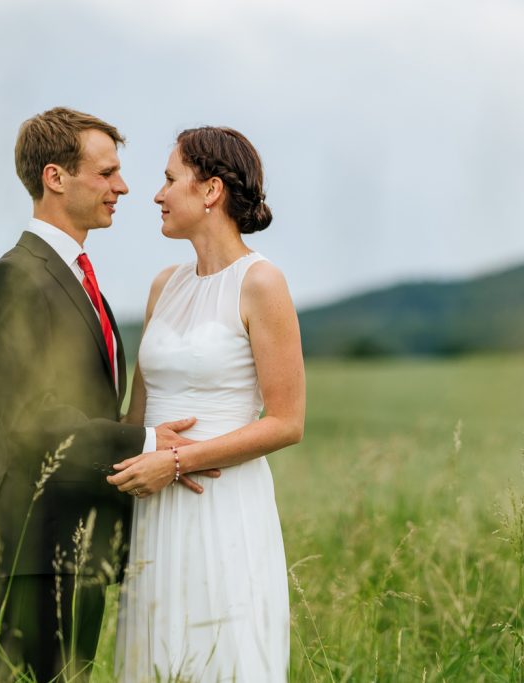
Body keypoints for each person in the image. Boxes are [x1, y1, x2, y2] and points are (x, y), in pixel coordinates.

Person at [0, 107, 214, 683]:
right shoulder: (16, 277)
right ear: (56, 177)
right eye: (106, 173)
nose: (123, 187)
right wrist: (151, 442)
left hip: (78, 547)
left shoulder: (78, 276)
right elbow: (31, 424)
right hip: (34, 551)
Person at [109, 126, 305, 682]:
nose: (156, 194)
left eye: (170, 179)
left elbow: (287, 422)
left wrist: (176, 462)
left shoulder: (261, 283)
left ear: (211, 190)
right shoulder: (163, 285)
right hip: (152, 510)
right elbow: (137, 414)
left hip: (222, 505)